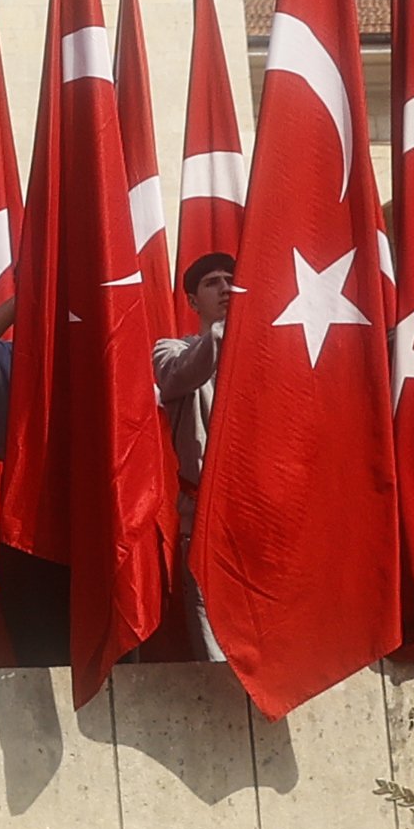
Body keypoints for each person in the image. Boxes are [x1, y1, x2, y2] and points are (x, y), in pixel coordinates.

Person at [146, 251, 235, 657]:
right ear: (193, 301)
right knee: (212, 636)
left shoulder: (267, 354)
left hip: (261, 512)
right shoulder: (171, 349)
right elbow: (180, 374)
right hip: (202, 516)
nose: (226, 287)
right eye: (213, 282)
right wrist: (222, 332)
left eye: (231, 279)